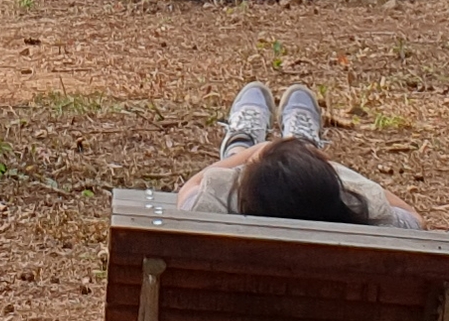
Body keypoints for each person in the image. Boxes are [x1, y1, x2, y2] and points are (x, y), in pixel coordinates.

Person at [167, 82, 421, 228]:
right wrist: (319, 161)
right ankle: (303, 141)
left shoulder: (204, 213)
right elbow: (415, 219)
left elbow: (194, 185)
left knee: (241, 159)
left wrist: (255, 152)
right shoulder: (382, 227)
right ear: (333, 189)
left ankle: (240, 143)